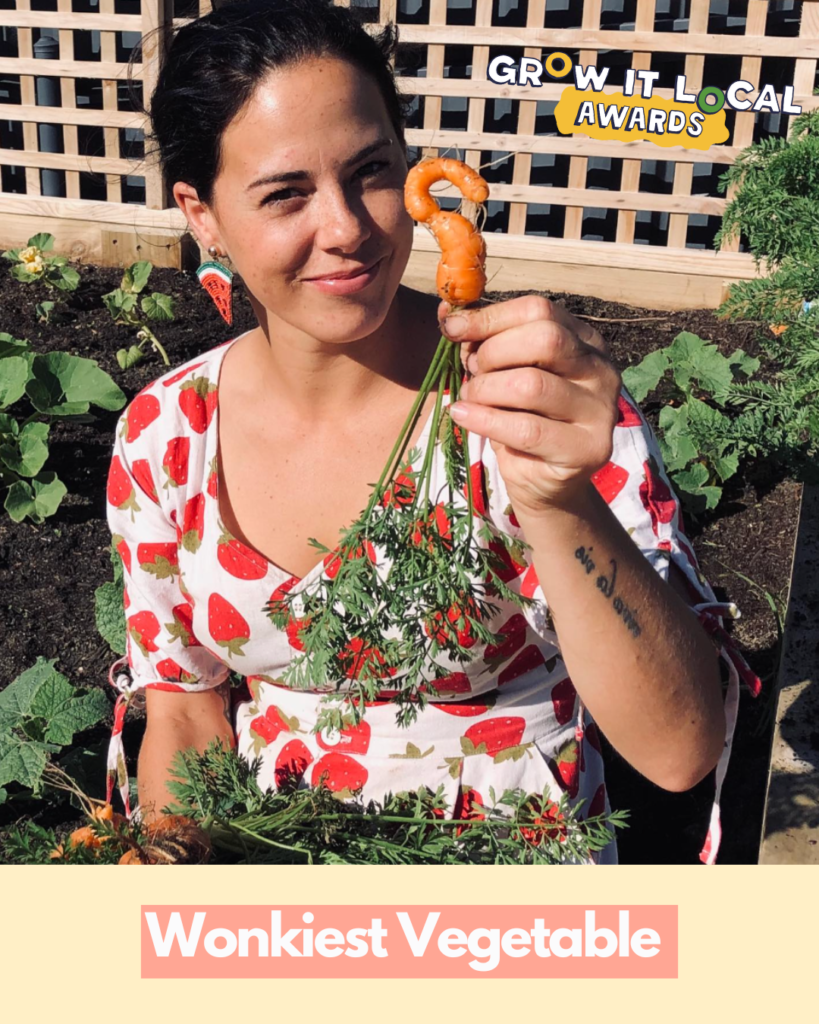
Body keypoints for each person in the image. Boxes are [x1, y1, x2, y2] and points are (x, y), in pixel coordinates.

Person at [106, 0, 755, 864]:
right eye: (285, 194)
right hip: (276, 855)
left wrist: (558, 503)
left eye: (372, 171)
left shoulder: (526, 400)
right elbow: (185, 706)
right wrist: (175, 867)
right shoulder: (166, 436)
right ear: (203, 214)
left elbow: (680, 750)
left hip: (507, 868)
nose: (345, 230)